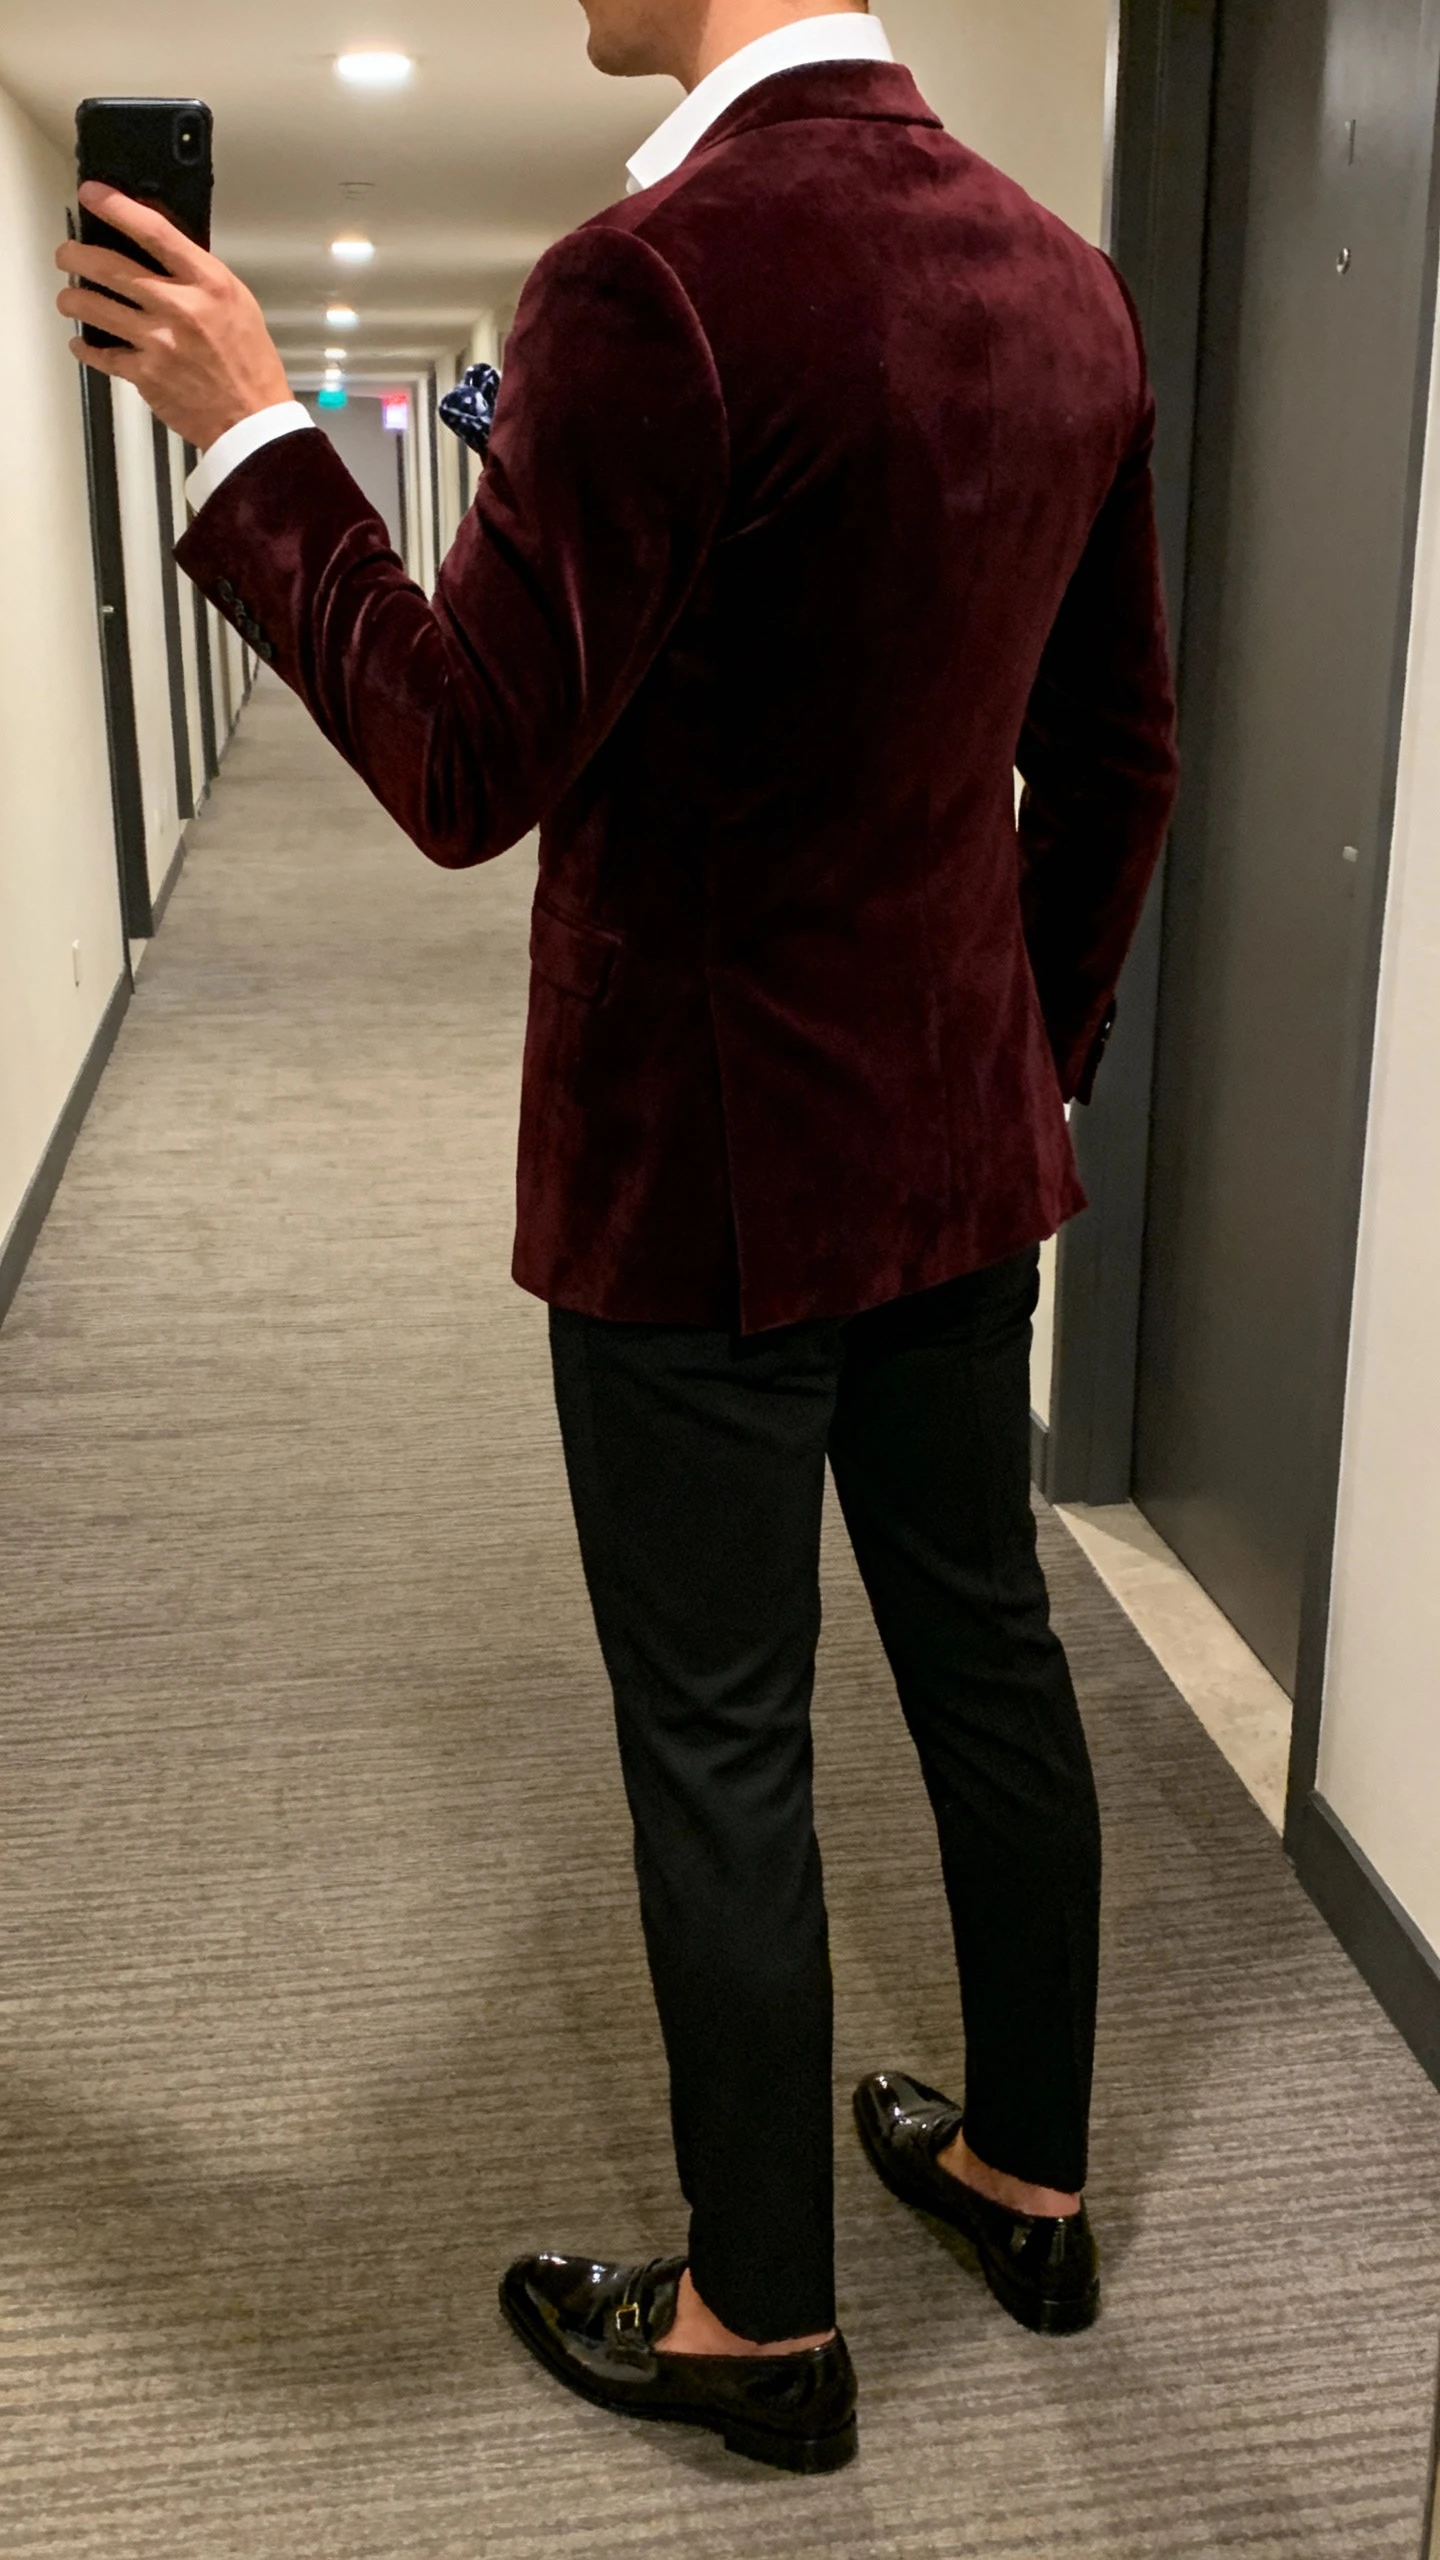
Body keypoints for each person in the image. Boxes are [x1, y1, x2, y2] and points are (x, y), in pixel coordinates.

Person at [56, 0, 1179, 2477]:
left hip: (700, 1179)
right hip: (955, 1160)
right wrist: (1020, 1068)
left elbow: (467, 761)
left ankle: (756, 2323)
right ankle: (1030, 2176)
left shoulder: (641, 286)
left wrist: (255, 427)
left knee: (722, 1738)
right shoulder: (1068, 286)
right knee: (988, 1660)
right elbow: (1117, 765)